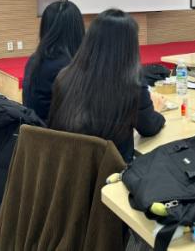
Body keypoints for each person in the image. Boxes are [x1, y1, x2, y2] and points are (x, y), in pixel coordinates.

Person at [48, 9, 165, 163]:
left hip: (67, 166)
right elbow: (148, 127)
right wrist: (157, 111)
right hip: (112, 171)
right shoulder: (131, 82)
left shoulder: (65, 75)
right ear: (129, 46)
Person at [22, 1, 85, 121]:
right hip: (54, 130)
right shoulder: (67, 65)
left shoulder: (35, 58)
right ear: (77, 28)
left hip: (33, 127)